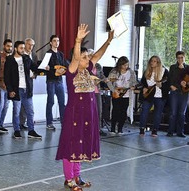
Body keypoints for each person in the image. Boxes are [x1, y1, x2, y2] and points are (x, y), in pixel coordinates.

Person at [56, 24, 114, 191]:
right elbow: (75, 58)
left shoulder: (88, 68)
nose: (88, 59)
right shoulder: (72, 70)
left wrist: (109, 40)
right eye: (84, 57)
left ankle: (77, 176)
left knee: (81, 144)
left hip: (88, 113)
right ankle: (69, 179)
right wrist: (78, 40)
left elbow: (98, 55)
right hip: (74, 113)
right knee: (71, 144)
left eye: (87, 57)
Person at [4, 41, 42, 139]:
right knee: (16, 111)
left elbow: (35, 68)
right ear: (16, 49)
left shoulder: (26, 58)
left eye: (23, 48)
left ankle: (31, 130)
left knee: (30, 111)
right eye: (21, 48)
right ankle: (16, 130)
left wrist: (43, 68)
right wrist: (10, 90)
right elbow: (6, 77)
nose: (23, 49)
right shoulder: (10, 59)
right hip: (16, 90)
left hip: (27, 89)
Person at [139, 56, 169, 137]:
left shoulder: (164, 71)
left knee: (158, 113)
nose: (152, 62)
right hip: (149, 95)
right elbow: (143, 82)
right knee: (144, 111)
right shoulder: (147, 71)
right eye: (151, 61)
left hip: (160, 95)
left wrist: (161, 85)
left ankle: (155, 130)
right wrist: (144, 87)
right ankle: (142, 128)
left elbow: (168, 84)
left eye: (155, 61)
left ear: (158, 63)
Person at [106, 56, 137, 135]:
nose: (125, 67)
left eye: (127, 65)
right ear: (120, 64)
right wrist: (113, 90)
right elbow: (108, 81)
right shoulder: (114, 71)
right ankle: (113, 128)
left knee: (123, 112)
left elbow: (134, 82)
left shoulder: (131, 72)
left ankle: (120, 128)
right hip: (116, 93)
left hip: (126, 94)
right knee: (115, 110)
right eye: (124, 65)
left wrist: (133, 86)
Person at [45, 35, 68, 130]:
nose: (56, 42)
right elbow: (45, 67)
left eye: (58, 41)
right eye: (54, 41)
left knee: (62, 102)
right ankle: (49, 122)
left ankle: (64, 122)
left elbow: (64, 66)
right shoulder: (48, 54)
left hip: (59, 81)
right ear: (51, 43)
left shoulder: (61, 54)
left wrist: (63, 70)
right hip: (51, 80)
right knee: (51, 102)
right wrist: (51, 70)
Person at [167, 51, 188, 137]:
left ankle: (180, 131)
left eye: (182, 57)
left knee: (182, 113)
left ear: (184, 58)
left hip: (184, 92)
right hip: (175, 92)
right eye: (178, 58)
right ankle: (170, 131)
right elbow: (171, 79)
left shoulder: (188, 68)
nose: (180, 59)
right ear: (176, 58)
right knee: (173, 113)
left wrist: (183, 69)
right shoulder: (173, 67)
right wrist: (171, 86)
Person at [0, 39, 13, 133]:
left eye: (11, 46)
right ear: (4, 46)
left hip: (9, 86)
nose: (9, 48)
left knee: (6, 106)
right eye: (8, 46)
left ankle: (1, 124)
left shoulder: (12, 58)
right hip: (0, 84)